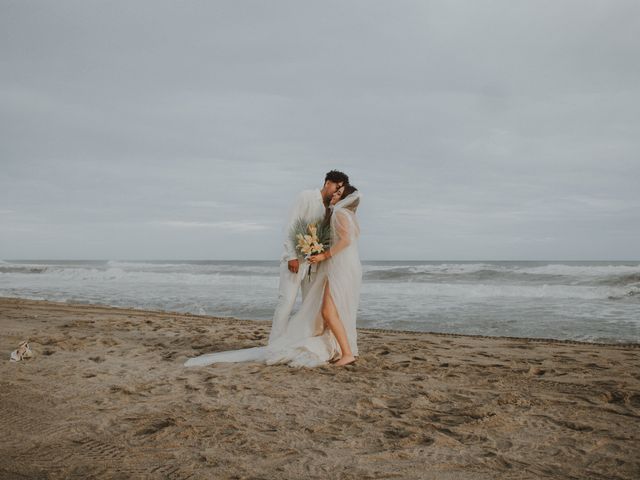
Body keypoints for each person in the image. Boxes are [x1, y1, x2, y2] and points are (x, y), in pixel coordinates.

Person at [184, 184, 362, 368]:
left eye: (339, 194)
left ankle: (347, 353)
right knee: (333, 310)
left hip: (339, 269)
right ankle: (344, 350)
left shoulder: (340, 214)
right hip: (345, 269)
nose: (334, 195)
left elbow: (347, 240)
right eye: (336, 191)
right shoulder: (350, 216)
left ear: (344, 199)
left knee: (328, 311)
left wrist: (324, 255)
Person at [269, 170, 349, 343]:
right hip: (295, 260)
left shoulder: (331, 208)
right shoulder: (306, 197)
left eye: (340, 190)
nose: (337, 192)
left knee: (309, 305)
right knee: (286, 302)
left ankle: (300, 341)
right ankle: (274, 344)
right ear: (328, 182)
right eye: (337, 187)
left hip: (314, 266)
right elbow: (290, 225)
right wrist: (291, 256)